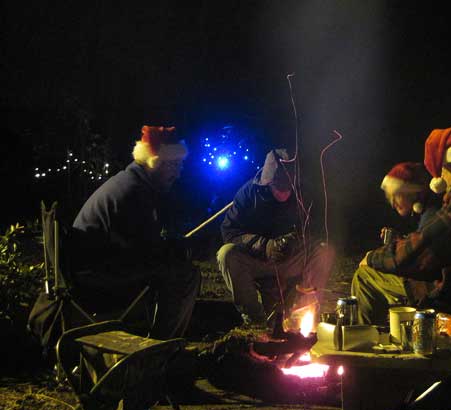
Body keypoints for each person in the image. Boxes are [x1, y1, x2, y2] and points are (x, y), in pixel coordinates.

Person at [352, 126, 451, 325]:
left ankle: (365, 347)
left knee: (365, 277)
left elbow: (424, 246)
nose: (439, 177)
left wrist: (373, 257)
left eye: (441, 169)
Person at [71, 125, 202, 340]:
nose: (178, 173)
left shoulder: (133, 184)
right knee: (185, 275)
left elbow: (139, 244)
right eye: (174, 165)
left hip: (93, 268)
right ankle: (162, 349)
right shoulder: (133, 193)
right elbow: (145, 253)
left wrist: (173, 246)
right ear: (155, 162)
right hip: (96, 278)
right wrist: (182, 250)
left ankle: (157, 342)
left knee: (174, 267)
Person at [217, 148, 335, 330]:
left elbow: (318, 229)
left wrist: (296, 240)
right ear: (267, 182)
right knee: (227, 254)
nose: (283, 194)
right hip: (258, 260)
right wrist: (265, 246)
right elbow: (229, 231)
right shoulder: (249, 194)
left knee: (324, 251)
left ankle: (303, 313)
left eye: (288, 188)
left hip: (290, 261)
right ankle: (255, 320)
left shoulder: (304, 193)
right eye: (278, 188)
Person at [379, 161, 441, 241]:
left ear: (412, 193)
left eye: (396, 196)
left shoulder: (430, 217)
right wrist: (398, 240)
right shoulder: (422, 213)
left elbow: (421, 249)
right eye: (390, 198)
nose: (393, 204)